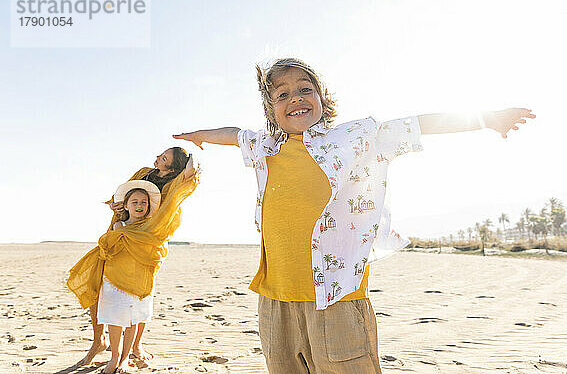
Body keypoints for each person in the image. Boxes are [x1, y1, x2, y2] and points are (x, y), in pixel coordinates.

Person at [173, 57, 535, 373]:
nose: (295, 98)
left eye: (305, 88)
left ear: (322, 98)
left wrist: (487, 118)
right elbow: (235, 134)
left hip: (336, 295)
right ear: (271, 110)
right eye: (281, 94)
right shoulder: (266, 147)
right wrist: (202, 135)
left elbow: (415, 125)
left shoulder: (353, 139)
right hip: (274, 298)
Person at [67, 148, 198, 370]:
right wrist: (115, 206)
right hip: (121, 232)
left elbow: (188, 178)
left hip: (147, 241)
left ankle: (135, 346)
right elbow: (118, 197)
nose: (157, 158)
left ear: (173, 168)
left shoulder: (172, 185)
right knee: (99, 285)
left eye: (164, 158)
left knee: (139, 292)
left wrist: (193, 147)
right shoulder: (144, 173)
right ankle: (99, 341)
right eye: (160, 155)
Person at [96, 180, 161, 373]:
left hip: (139, 280)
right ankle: (114, 357)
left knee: (133, 319)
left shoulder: (151, 227)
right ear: (125, 205)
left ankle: (125, 358)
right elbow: (111, 250)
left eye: (143, 202)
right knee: (115, 319)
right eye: (135, 202)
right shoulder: (118, 225)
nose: (140, 205)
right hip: (115, 279)